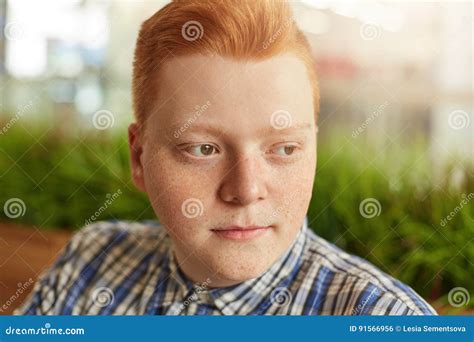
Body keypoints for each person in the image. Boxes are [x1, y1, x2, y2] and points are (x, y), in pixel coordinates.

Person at [15, 0, 436, 315]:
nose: (246, 190)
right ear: (139, 158)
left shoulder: (384, 318)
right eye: (203, 149)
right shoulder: (90, 263)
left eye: (284, 148)